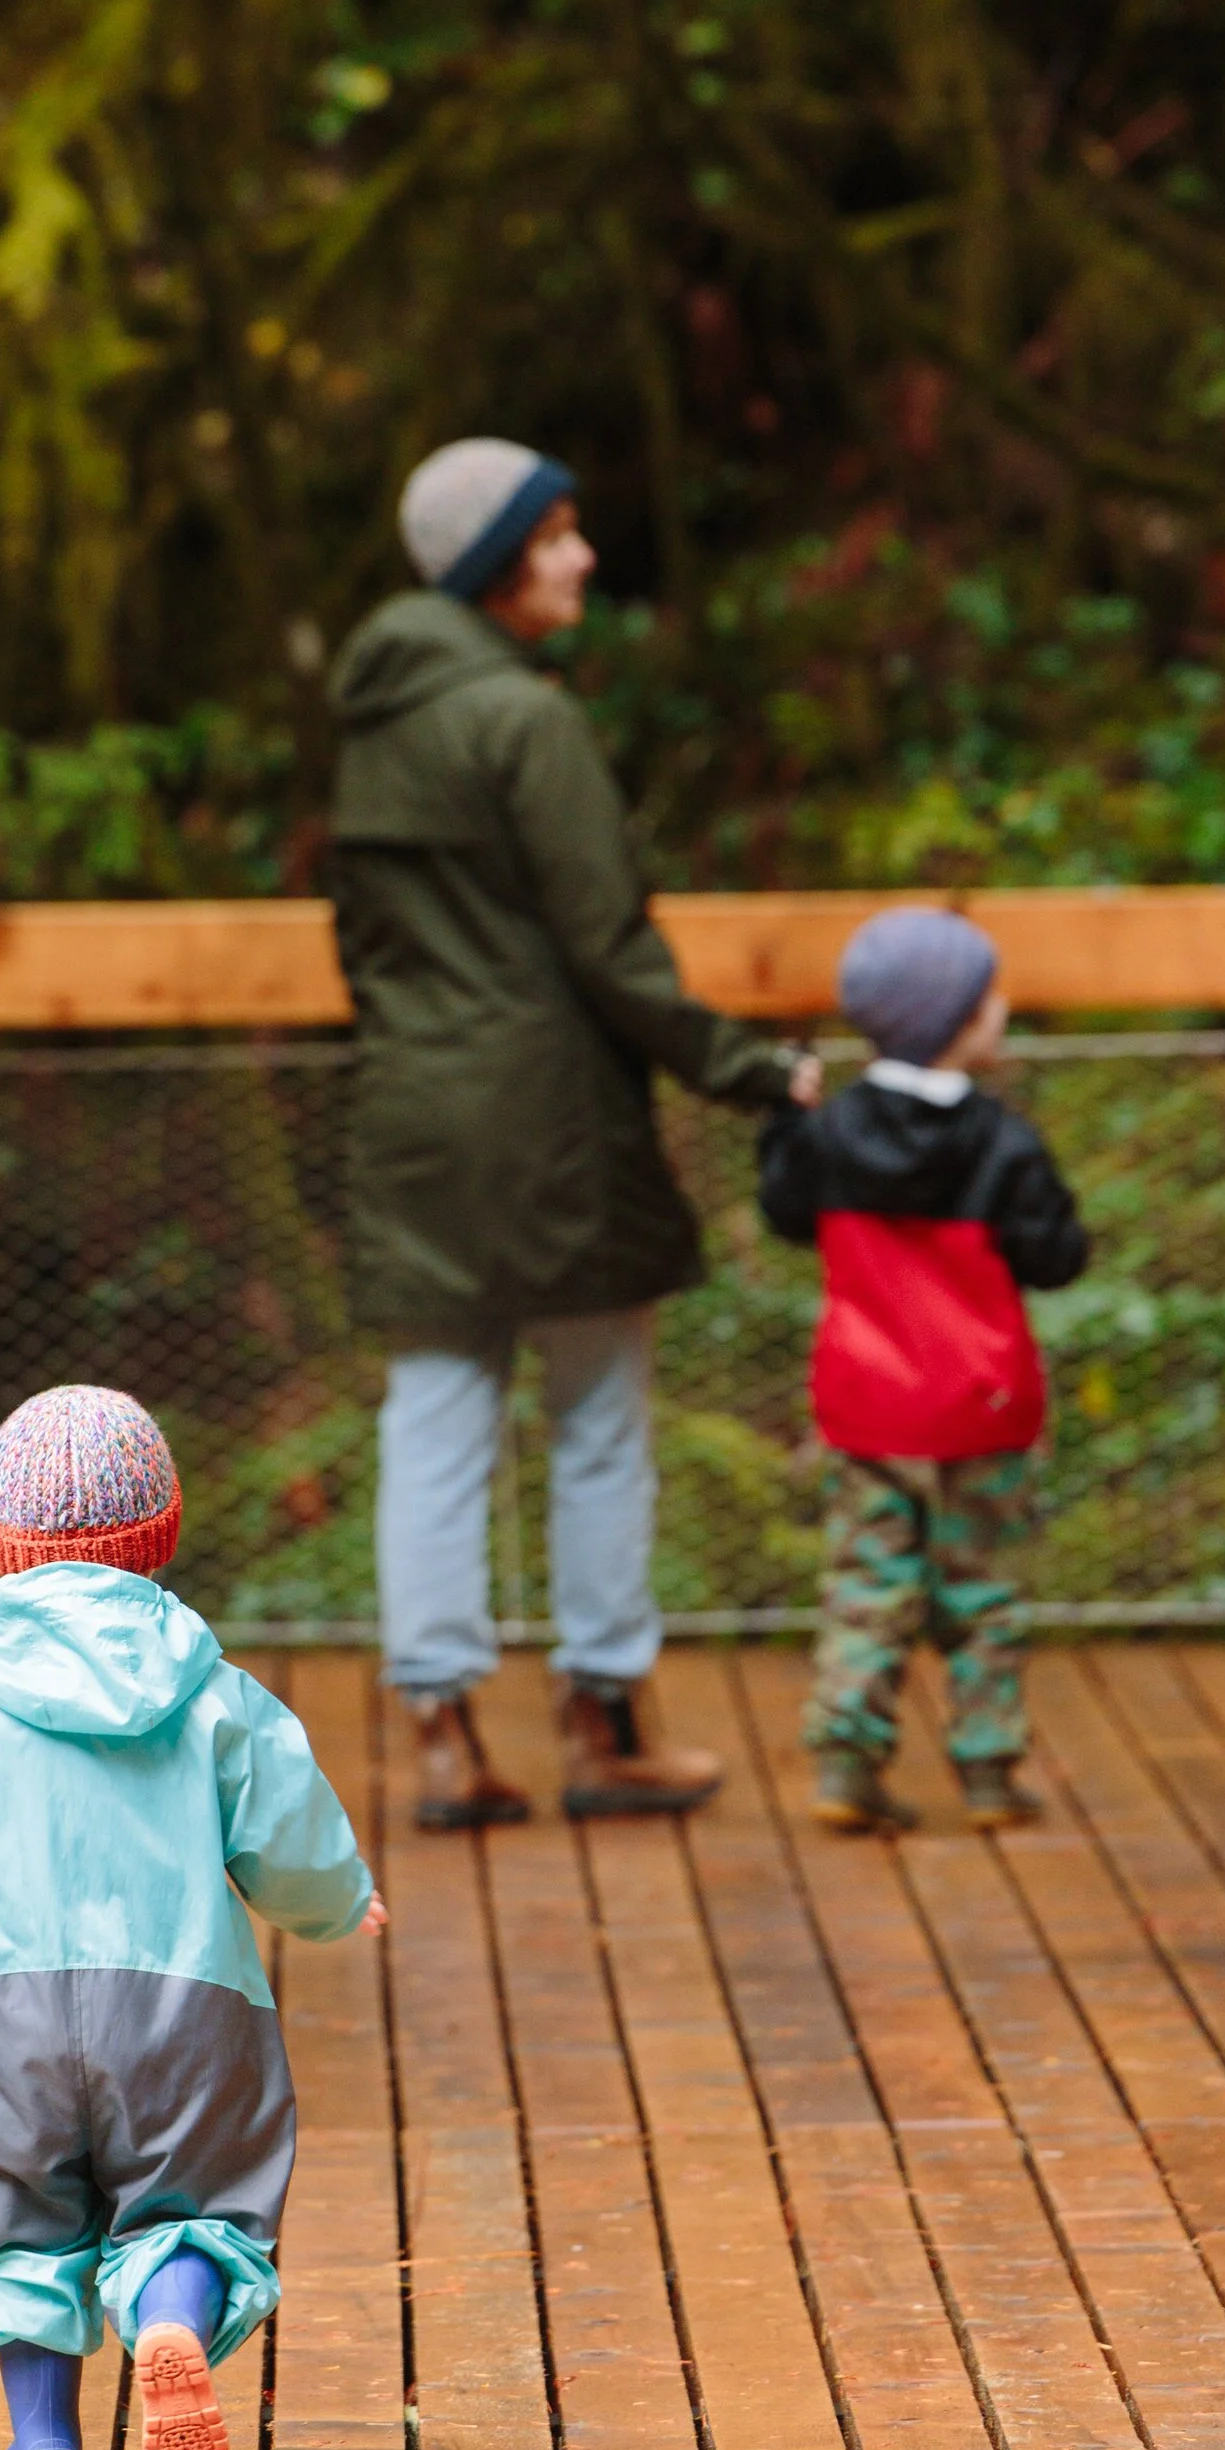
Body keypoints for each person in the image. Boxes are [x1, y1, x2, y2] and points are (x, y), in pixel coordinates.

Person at [326, 435, 818, 1832]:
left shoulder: (376, 722)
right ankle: (605, 1724)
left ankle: (439, 1733)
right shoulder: (526, 721)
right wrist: (754, 1075)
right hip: (552, 1118)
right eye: (554, 537)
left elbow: (367, 944)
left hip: (419, 1110)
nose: (582, 557)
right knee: (597, 1419)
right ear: (493, 563)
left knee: (433, 1423)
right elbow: (612, 952)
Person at [0, 1383, 382, 2450]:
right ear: (161, 1535)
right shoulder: (214, 1696)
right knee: (197, 2202)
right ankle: (169, 2308)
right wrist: (334, 1904)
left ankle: (42, 2449)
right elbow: (286, 1830)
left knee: (15, 2225)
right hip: (182, 2007)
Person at [758, 906, 1089, 1836]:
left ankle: (846, 1763)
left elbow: (784, 1210)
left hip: (869, 1406)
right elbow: (1058, 1256)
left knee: (870, 1582)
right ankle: (988, 1772)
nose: (1003, 1007)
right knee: (980, 1586)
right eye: (989, 998)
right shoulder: (1003, 1142)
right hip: (982, 1408)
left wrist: (786, 1123)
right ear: (956, 1020)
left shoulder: (830, 1135)